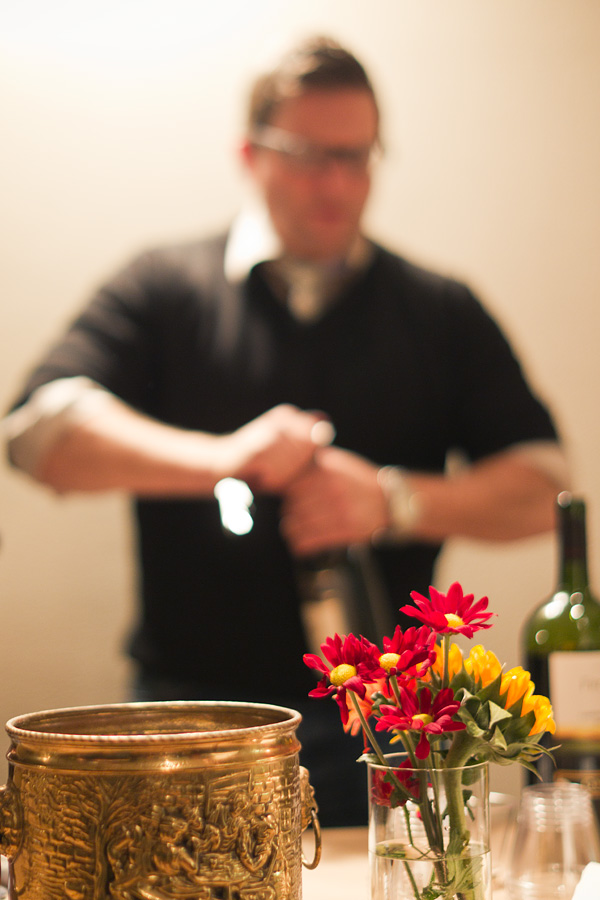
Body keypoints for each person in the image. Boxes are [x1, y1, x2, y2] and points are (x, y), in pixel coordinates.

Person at [3, 36, 567, 825]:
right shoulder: (165, 287)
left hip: (388, 727)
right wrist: (225, 459)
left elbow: (545, 489)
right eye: (307, 156)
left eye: (356, 156)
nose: (335, 182)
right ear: (251, 154)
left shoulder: (439, 309)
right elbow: (38, 434)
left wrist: (390, 501)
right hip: (191, 723)